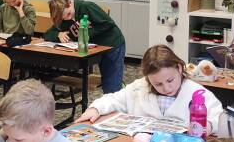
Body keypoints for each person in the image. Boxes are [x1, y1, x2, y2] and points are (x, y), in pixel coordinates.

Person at [77, 44, 223, 132]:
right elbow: (114, 99)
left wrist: (209, 125)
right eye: (158, 84)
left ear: (179, 68)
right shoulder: (140, 87)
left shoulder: (196, 92)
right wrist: (96, 109)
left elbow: (219, 116)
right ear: (148, 78)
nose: (166, 88)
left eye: (170, 80)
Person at [46, 0, 126, 93]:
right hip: (97, 49)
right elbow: (48, 34)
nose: (68, 18)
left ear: (70, 3)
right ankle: (118, 88)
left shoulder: (87, 7)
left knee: (111, 87)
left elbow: (108, 23)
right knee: (108, 83)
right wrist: (58, 34)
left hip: (113, 45)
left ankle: (119, 90)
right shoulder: (65, 19)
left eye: (69, 14)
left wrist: (86, 32)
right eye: (65, 18)